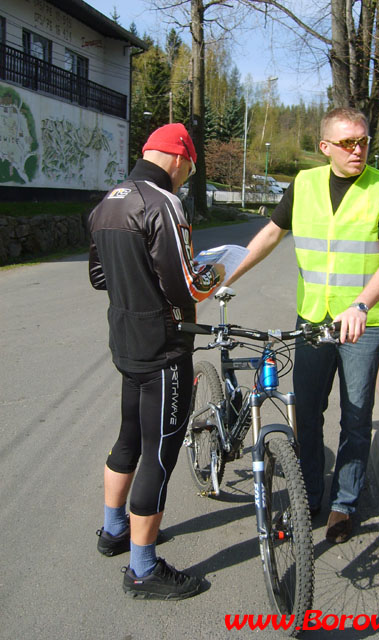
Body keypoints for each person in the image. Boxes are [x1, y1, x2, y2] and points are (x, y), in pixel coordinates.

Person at [227, 107, 379, 544]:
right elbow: (272, 234)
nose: (359, 149)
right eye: (348, 142)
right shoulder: (304, 184)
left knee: (355, 415)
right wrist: (225, 276)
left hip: (363, 324)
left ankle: (343, 504)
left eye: (364, 140)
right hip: (313, 319)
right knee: (307, 411)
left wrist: (362, 305)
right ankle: (308, 493)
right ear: (325, 147)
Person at [88, 123, 225, 598]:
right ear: (180, 158)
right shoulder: (162, 201)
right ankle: (143, 570)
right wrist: (217, 269)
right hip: (165, 349)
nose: (186, 177)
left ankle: (113, 532)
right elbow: (185, 286)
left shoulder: (108, 201)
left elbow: (99, 275)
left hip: (126, 343)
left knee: (128, 437)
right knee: (159, 456)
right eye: (188, 168)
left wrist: (137, 281)